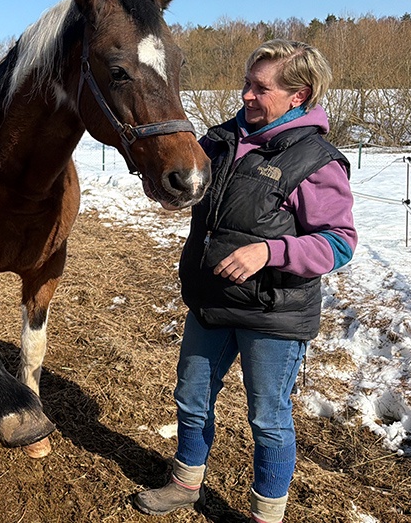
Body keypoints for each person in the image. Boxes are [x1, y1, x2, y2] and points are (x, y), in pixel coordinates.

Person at [133, 40, 357, 523]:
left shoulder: (316, 161)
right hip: (212, 298)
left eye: (261, 88)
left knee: (268, 419)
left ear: (299, 95)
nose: (247, 96)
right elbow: (188, 187)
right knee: (191, 397)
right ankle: (184, 484)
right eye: (246, 84)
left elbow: (339, 243)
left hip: (273, 311)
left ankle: (265, 516)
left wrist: (270, 252)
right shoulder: (220, 141)